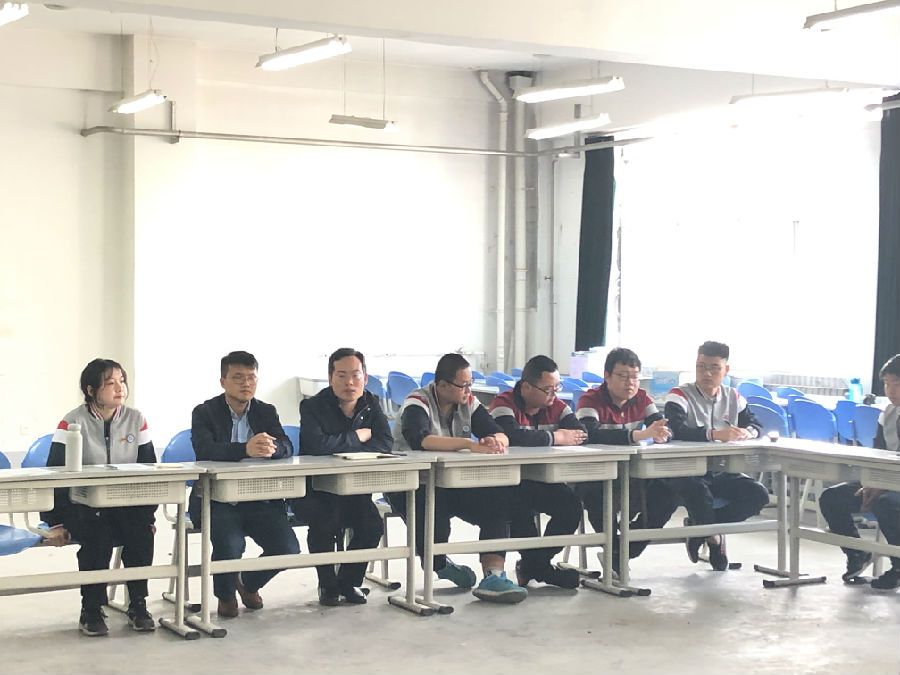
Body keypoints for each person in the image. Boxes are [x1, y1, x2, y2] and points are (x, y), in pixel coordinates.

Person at [387, 353, 527, 603]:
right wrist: (469, 444)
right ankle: (440, 565)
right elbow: (421, 440)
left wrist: (495, 441)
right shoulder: (417, 403)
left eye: (470, 384)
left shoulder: (468, 402)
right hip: (410, 484)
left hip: (452, 482)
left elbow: (499, 433)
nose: (468, 391)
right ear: (442, 385)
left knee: (497, 502)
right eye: (463, 385)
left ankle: (493, 575)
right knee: (434, 519)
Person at [40, 358, 157, 637]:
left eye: (122, 381)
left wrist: (148, 516)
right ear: (91, 390)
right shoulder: (71, 422)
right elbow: (54, 474)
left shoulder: (136, 420)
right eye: (110, 383)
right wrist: (54, 522)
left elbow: (149, 471)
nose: (119, 388)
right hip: (81, 505)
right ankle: (91, 608)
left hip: (124, 504)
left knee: (141, 534)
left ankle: (138, 604)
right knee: (98, 536)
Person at [191, 350, 300, 618]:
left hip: (260, 498)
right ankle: (225, 595)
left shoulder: (265, 411)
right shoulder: (205, 412)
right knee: (230, 545)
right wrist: (245, 449)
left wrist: (272, 449)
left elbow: (287, 445)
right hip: (217, 500)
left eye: (251, 377)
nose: (246, 383)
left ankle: (248, 582)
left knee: (287, 549)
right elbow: (205, 450)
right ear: (223, 382)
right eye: (238, 377)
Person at [663, 341, 770, 570]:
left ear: (726, 370)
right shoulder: (679, 395)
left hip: (722, 470)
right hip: (688, 470)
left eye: (714, 368)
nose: (707, 374)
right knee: (699, 493)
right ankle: (714, 539)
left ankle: (700, 529)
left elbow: (756, 424)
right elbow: (676, 429)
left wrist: (747, 432)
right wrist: (714, 434)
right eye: (701, 367)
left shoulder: (733, 396)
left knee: (758, 494)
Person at [294, 348, 388, 606]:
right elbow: (316, 446)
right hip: (316, 490)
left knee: (372, 525)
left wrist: (340, 444)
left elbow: (384, 442)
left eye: (356, 375)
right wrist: (357, 437)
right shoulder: (312, 406)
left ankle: (349, 582)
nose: (350, 383)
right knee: (326, 520)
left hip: (355, 489)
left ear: (365, 378)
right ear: (330, 378)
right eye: (342, 375)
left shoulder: (371, 403)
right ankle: (327, 585)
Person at [574, 347, 678, 570]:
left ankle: (623, 551)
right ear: (607, 376)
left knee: (667, 496)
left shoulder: (642, 398)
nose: (630, 383)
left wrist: (662, 435)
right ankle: (613, 553)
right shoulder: (589, 400)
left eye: (635, 377)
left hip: (635, 476)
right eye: (622, 376)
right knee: (598, 498)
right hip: (596, 476)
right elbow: (591, 434)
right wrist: (637, 435)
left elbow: (662, 425)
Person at [488, 354, 585, 589]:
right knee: (519, 511)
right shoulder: (503, 404)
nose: (554, 394)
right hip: (506, 481)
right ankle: (541, 569)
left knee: (571, 507)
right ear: (526, 387)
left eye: (556, 388)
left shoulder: (557, 406)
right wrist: (556, 437)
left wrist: (555, 437)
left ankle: (535, 565)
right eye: (548, 389)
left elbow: (580, 433)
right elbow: (512, 436)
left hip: (541, 478)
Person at [819, 354, 900, 589]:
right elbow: (877, 455)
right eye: (886, 384)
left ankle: (898, 566)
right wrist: (870, 481)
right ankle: (857, 553)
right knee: (832, 497)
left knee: (885, 503)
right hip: (883, 482)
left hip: (892, 487)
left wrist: (882, 485)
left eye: (896, 383)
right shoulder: (888, 414)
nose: (890, 390)